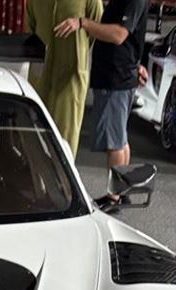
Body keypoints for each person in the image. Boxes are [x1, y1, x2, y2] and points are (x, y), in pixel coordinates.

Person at [55, 0, 149, 211]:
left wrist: (83, 23)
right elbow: (132, 36)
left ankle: (114, 197)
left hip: (116, 77)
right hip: (121, 74)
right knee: (120, 138)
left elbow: (119, 35)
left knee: (115, 142)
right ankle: (121, 192)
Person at [25, 0, 102, 155]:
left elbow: (97, 26)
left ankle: (63, 170)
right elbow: (30, 27)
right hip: (40, 74)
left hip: (71, 75)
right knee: (34, 132)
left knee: (66, 135)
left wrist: (78, 47)